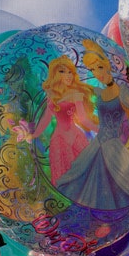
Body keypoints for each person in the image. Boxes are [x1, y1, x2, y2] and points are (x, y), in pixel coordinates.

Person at [54, 39, 129, 210]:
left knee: (114, 193)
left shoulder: (123, 92)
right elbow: (79, 90)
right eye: (93, 70)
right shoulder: (99, 92)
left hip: (113, 148)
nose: (97, 73)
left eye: (100, 68)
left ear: (107, 66)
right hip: (97, 145)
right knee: (80, 183)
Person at [27, 55, 98, 185]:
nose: (68, 75)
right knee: (62, 177)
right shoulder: (52, 96)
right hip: (58, 141)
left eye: (70, 72)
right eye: (62, 71)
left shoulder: (76, 94)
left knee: (84, 173)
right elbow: (46, 119)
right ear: (55, 74)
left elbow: (83, 119)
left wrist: (100, 130)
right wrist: (34, 135)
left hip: (75, 137)